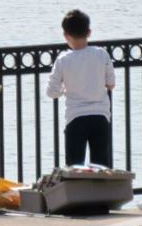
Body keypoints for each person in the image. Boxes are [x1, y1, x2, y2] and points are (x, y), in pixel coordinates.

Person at [46, 9, 115, 167]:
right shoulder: (101, 54)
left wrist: (65, 89)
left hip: (75, 117)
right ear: (89, 32)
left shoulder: (63, 59)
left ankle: (77, 185)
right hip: (100, 116)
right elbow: (111, 83)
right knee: (101, 167)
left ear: (66, 35)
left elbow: (51, 92)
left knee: (74, 167)